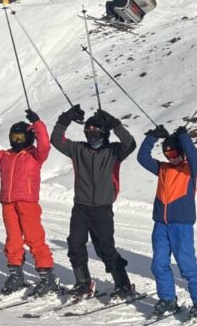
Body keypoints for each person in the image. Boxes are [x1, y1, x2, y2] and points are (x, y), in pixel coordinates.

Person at [50, 105, 137, 298]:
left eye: (96, 134)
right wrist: (66, 118)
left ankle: (123, 284)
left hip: (102, 209)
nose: (92, 138)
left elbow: (130, 144)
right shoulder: (78, 149)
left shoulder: (113, 152)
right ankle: (83, 282)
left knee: (105, 248)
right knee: (75, 244)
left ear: (104, 134)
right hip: (81, 207)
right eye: (88, 134)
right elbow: (56, 140)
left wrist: (115, 124)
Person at [0, 109, 56, 294]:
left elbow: (45, 144)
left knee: (34, 238)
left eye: (20, 137)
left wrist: (37, 123)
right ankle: (16, 274)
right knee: (13, 239)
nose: (17, 141)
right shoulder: (5, 156)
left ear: (29, 138)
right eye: (14, 137)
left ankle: (47, 276)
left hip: (27, 202)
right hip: (8, 203)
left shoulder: (35, 155)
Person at [138, 124, 197, 319]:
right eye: (168, 154)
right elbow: (142, 158)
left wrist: (185, 137)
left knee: (186, 265)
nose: (172, 158)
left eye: (175, 153)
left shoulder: (190, 169)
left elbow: (195, 157)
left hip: (181, 226)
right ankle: (167, 298)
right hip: (161, 225)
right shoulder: (162, 168)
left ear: (182, 152)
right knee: (158, 264)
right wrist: (152, 136)